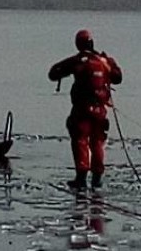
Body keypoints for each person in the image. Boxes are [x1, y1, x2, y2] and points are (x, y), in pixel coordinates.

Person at [48, 29, 122, 189]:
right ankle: (97, 179)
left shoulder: (78, 60)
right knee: (98, 142)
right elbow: (118, 78)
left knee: (80, 140)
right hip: (100, 111)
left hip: (82, 110)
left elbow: (53, 73)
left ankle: (81, 178)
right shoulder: (105, 61)